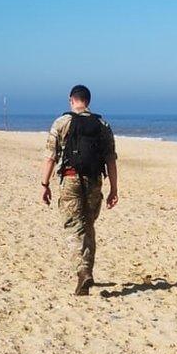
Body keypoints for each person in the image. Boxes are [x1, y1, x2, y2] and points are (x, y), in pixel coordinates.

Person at [40, 85, 119, 296]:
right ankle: (88, 271)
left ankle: (83, 271)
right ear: (88, 101)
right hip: (94, 181)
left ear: (71, 100)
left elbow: (50, 157)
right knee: (88, 225)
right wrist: (114, 189)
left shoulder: (62, 122)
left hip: (70, 179)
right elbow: (111, 159)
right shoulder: (102, 124)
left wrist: (44, 184)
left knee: (75, 227)